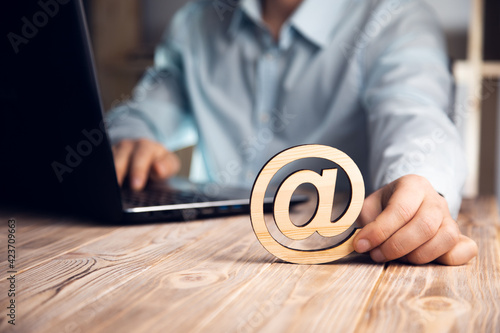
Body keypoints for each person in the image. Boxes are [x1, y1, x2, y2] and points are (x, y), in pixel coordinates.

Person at [106, 0, 478, 265]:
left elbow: (415, 115)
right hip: (201, 257)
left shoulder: (394, 17)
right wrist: (131, 137)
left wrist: (419, 187)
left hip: (341, 265)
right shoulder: (196, 22)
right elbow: (148, 108)